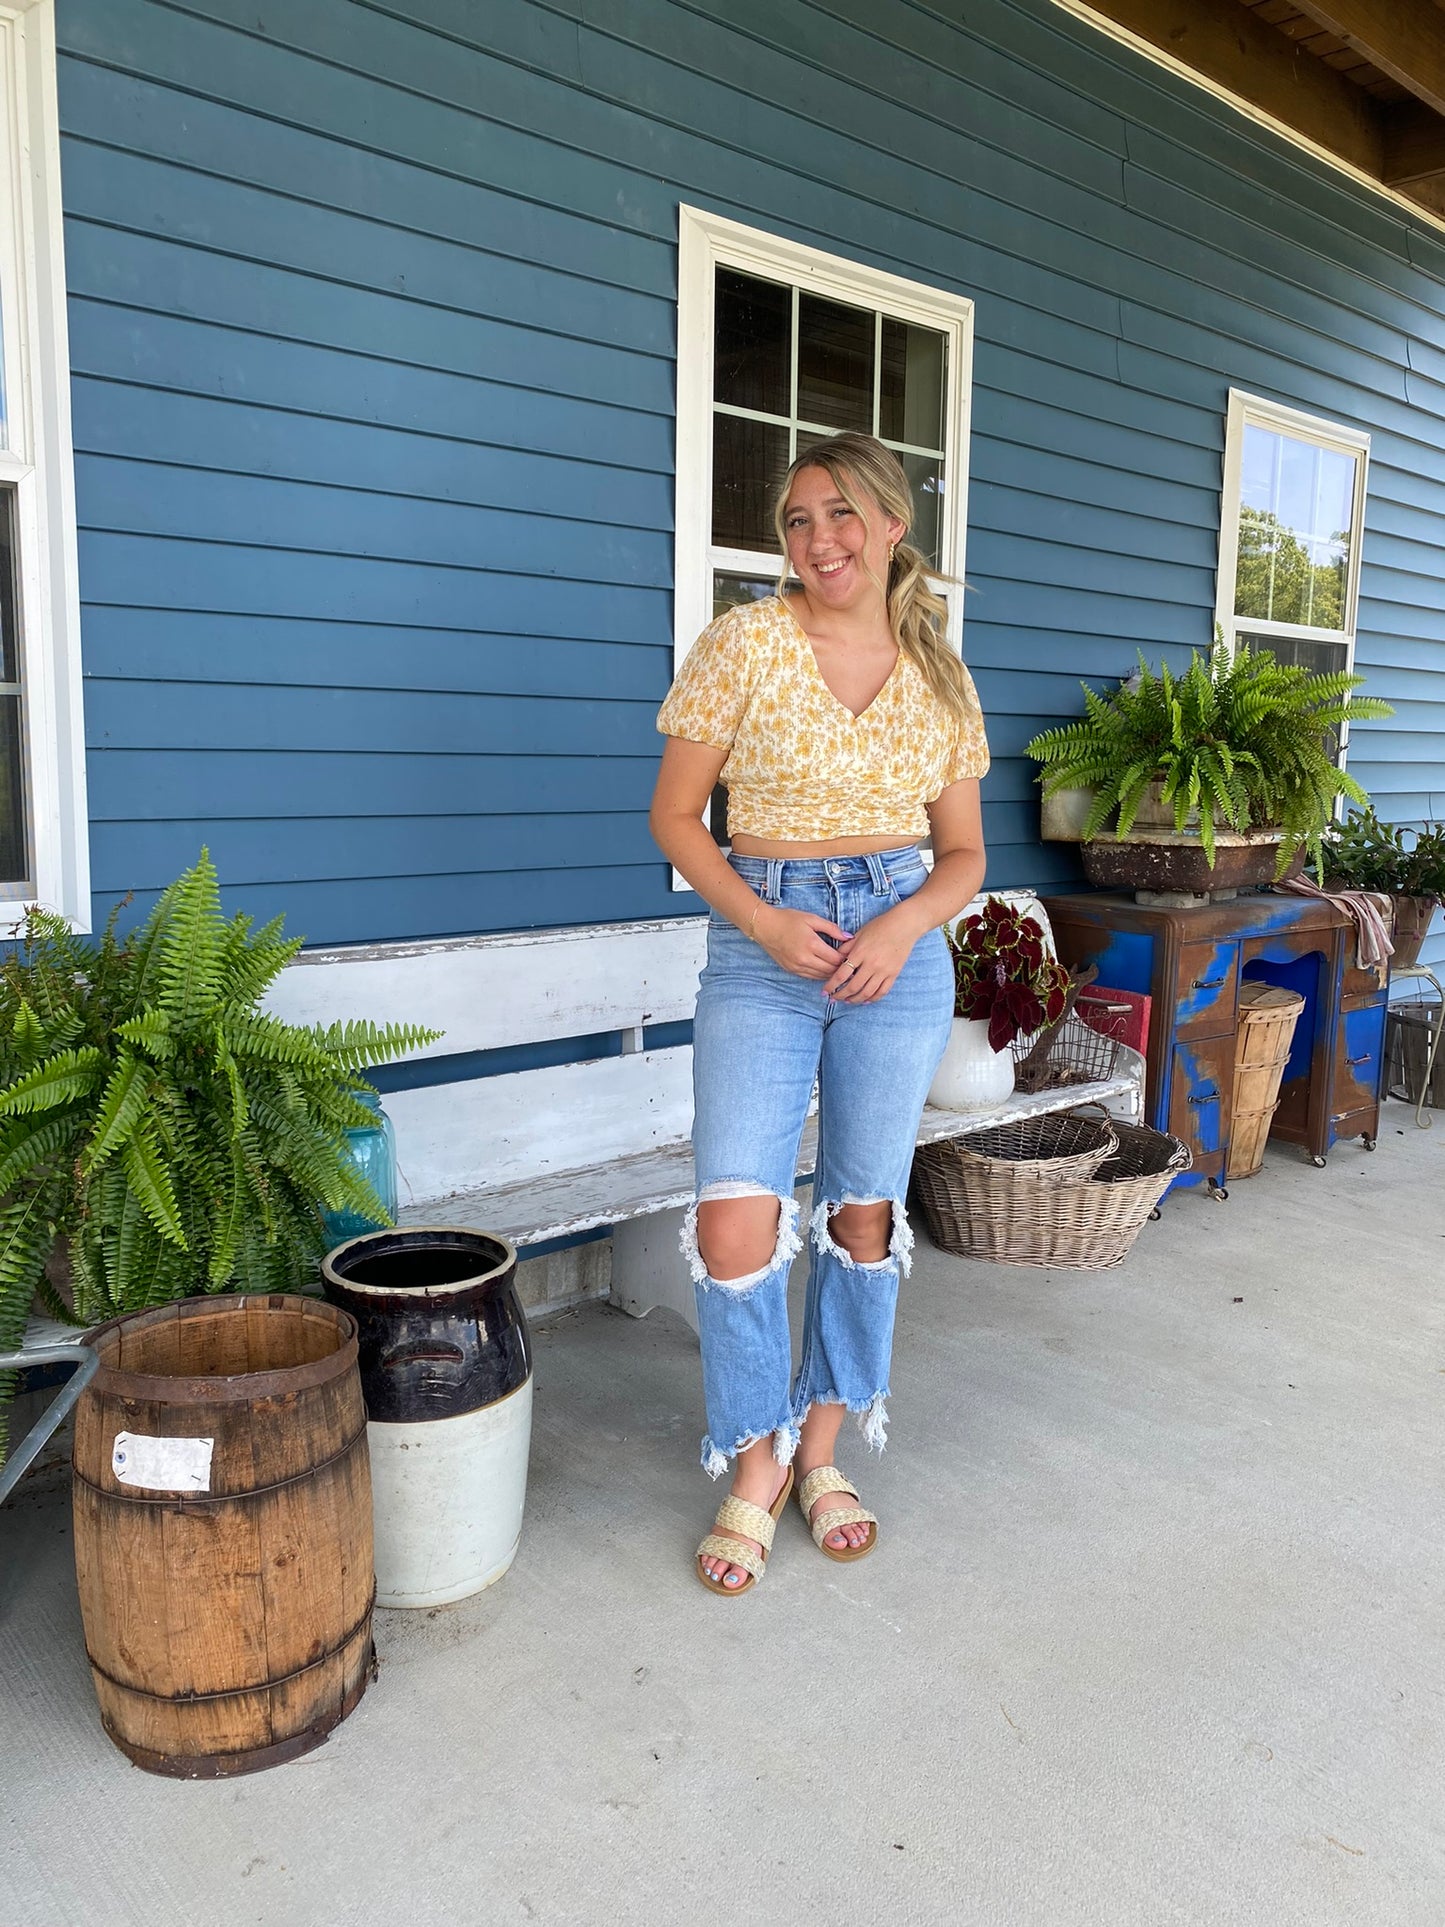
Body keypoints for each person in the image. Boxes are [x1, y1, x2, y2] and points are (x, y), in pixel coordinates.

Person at [649, 432, 989, 1595]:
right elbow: (678, 818)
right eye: (796, 520)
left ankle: (823, 1453)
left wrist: (898, 929)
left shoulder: (937, 671)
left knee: (861, 1218)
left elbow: (962, 855)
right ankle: (754, 1459)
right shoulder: (742, 643)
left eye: (841, 514)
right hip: (765, 946)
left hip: (895, 954)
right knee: (737, 1222)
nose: (817, 539)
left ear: (893, 527)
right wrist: (765, 923)